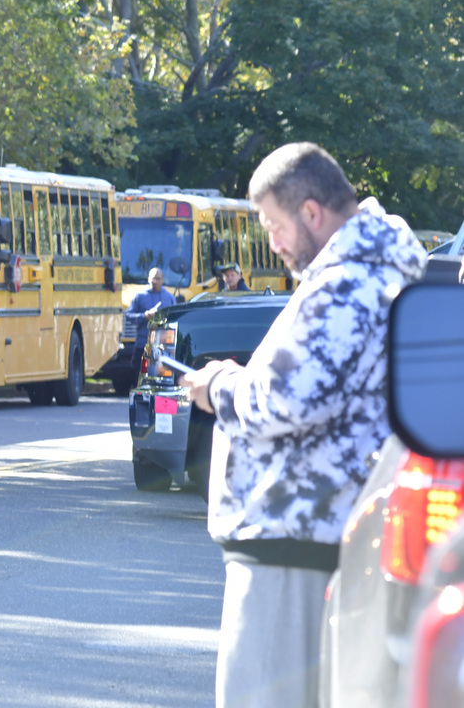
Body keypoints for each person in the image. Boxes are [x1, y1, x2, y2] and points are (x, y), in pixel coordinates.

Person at [180, 142, 426, 708]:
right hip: (324, 535)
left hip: (293, 541)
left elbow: (287, 398)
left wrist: (219, 385)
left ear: (311, 212)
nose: (273, 242)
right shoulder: (378, 273)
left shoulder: (346, 282)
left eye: (273, 224)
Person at [128, 266, 176, 367]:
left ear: (162, 280)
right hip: (143, 344)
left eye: (158, 279)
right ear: (148, 279)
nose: (155, 281)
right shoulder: (140, 297)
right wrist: (144, 316)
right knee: (139, 376)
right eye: (153, 279)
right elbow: (128, 316)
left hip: (164, 346)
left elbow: (175, 319)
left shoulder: (170, 298)